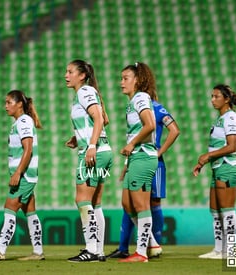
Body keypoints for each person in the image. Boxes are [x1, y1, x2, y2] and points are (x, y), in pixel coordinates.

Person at [107, 98, 180, 259]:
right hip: (138, 158)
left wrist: (159, 152)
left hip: (152, 159)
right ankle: (140, 245)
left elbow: (175, 130)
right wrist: (127, 164)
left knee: (152, 202)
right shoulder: (135, 106)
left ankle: (153, 245)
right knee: (131, 202)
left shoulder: (158, 108)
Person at [0, 90, 44, 261]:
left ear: (19, 104)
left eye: (9, 102)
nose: (5, 106)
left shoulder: (23, 121)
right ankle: (38, 252)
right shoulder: (21, 122)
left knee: (9, 208)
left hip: (24, 175)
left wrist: (18, 172)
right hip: (28, 174)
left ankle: (0, 251)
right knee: (30, 212)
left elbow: (28, 148)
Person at [64, 59, 113, 262]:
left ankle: (91, 250)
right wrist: (80, 137)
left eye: (70, 72)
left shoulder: (84, 92)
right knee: (96, 202)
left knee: (82, 200)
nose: (66, 75)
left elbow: (100, 119)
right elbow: (103, 119)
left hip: (95, 151)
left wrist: (90, 145)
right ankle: (98, 250)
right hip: (102, 149)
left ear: (82, 75)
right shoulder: (87, 93)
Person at [193, 84, 236, 259]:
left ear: (226, 99)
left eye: (216, 97)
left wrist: (207, 155)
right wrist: (204, 162)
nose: (212, 100)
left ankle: (230, 250)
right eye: (212, 97)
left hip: (228, 167)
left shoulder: (230, 117)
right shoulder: (220, 119)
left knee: (227, 209)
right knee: (214, 210)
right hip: (218, 167)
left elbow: (232, 146)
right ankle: (219, 249)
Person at [118, 62, 160, 263]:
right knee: (127, 202)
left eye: (125, 78)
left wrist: (132, 144)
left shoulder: (141, 98)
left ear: (138, 80)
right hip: (135, 157)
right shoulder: (134, 100)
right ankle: (152, 243)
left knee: (141, 205)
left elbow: (150, 125)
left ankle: (141, 253)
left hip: (144, 156)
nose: (121, 82)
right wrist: (127, 162)